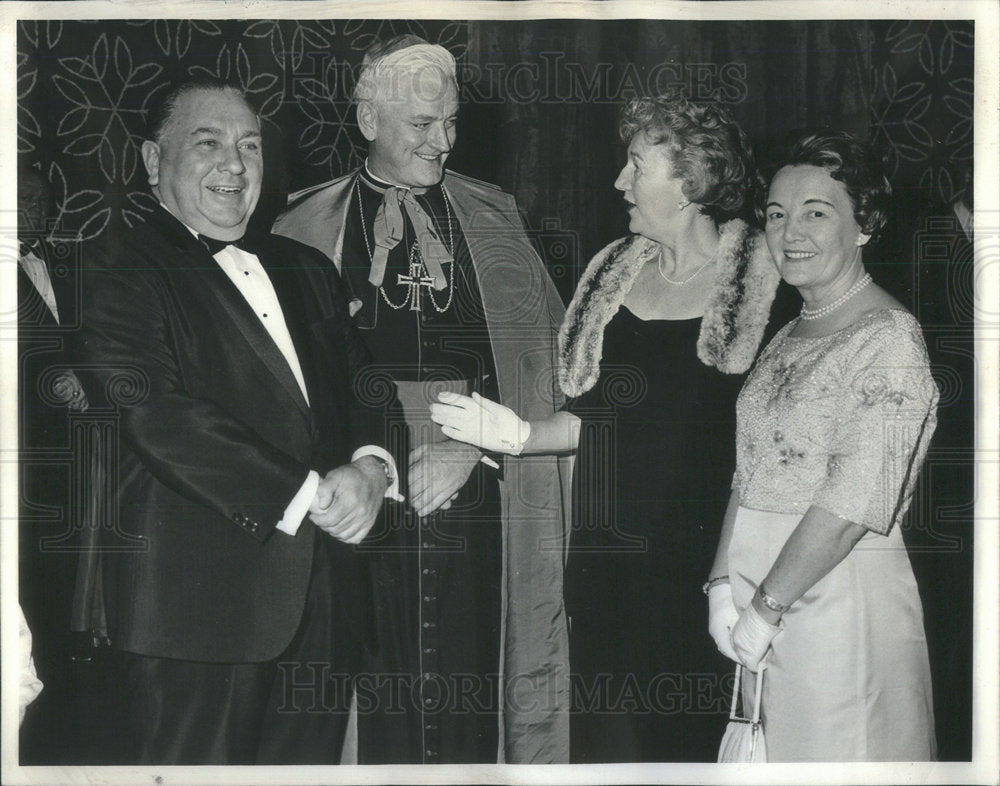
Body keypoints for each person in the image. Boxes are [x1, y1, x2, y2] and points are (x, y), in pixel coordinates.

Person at [430, 95, 781, 762]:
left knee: (692, 758)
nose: (619, 182)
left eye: (636, 165)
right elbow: (606, 423)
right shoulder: (612, 274)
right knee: (605, 757)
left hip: (706, 582)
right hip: (604, 574)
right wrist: (520, 435)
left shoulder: (764, 282)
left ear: (689, 181)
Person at [73, 75, 398, 765]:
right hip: (193, 622)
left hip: (322, 608)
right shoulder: (115, 265)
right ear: (153, 162)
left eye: (249, 145)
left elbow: (366, 384)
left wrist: (372, 467)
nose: (236, 164)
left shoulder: (308, 268)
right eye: (209, 143)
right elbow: (158, 415)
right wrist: (312, 495)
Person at [272, 36, 570, 764]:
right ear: (369, 117)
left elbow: (542, 365)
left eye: (452, 122)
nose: (443, 142)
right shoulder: (300, 228)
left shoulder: (496, 218)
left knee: (471, 711)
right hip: (357, 501)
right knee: (369, 715)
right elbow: (286, 385)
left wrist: (480, 448)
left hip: (475, 502)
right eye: (422, 125)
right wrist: (384, 461)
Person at [707, 129, 938, 761]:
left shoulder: (889, 337)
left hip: (837, 595)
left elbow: (855, 497)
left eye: (817, 213)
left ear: (864, 224)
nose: (791, 233)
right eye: (777, 215)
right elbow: (747, 469)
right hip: (769, 590)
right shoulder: (787, 335)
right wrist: (722, 582)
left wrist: (766, 606)